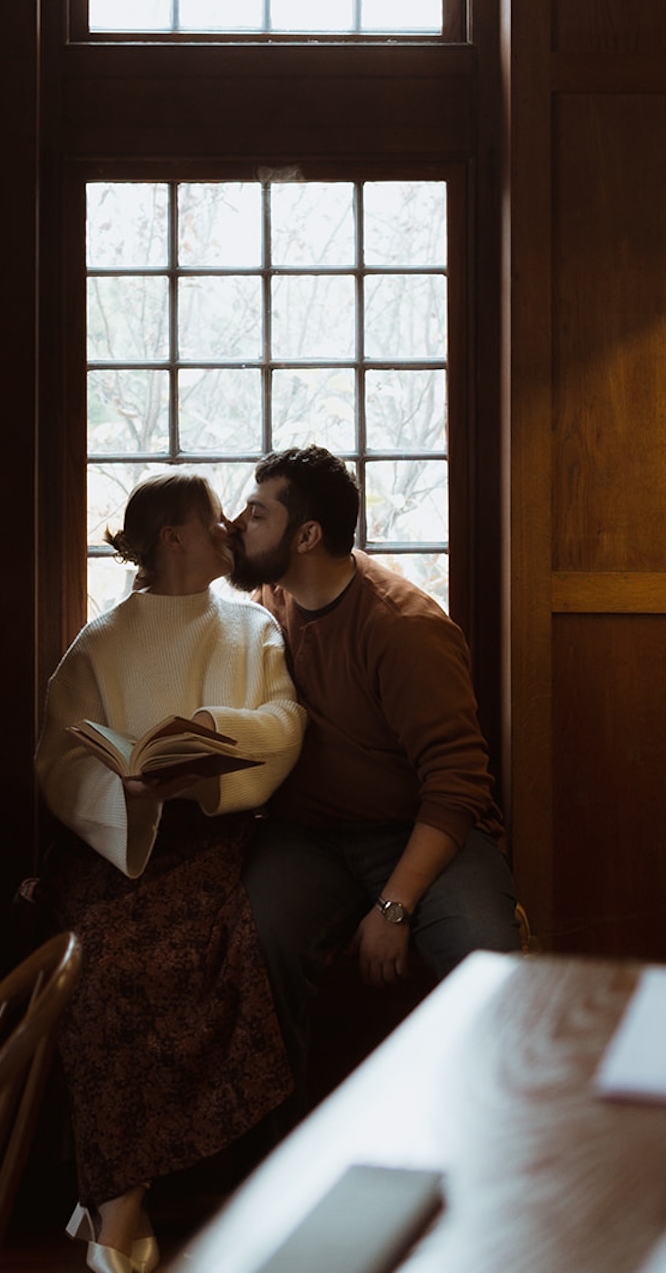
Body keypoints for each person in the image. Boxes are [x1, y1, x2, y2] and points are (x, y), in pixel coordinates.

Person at [34, 473, 305, 1273]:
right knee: (100, 963)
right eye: (209, 517)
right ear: (174, 538)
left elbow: (286, 722)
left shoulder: (251, 625)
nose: (229, 525)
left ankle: (113, 1216)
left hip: (208, 837)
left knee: (195, 954)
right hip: (115, 842)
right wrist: (126, 792)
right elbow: (57, 753)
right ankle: (122, 1206)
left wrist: (210, 745)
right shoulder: (103, 639)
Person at [228, 446, 520, 1105]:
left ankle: (496, 1150)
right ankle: (286, 1168)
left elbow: (456, 783)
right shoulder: (268, 600)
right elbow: (201, 564)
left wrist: (396, 905)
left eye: (255, 513)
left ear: (307, 535)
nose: (238, 525)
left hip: (419, 829)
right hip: (309, 837)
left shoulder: (404, 628)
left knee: (488, 967)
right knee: (257, 940)